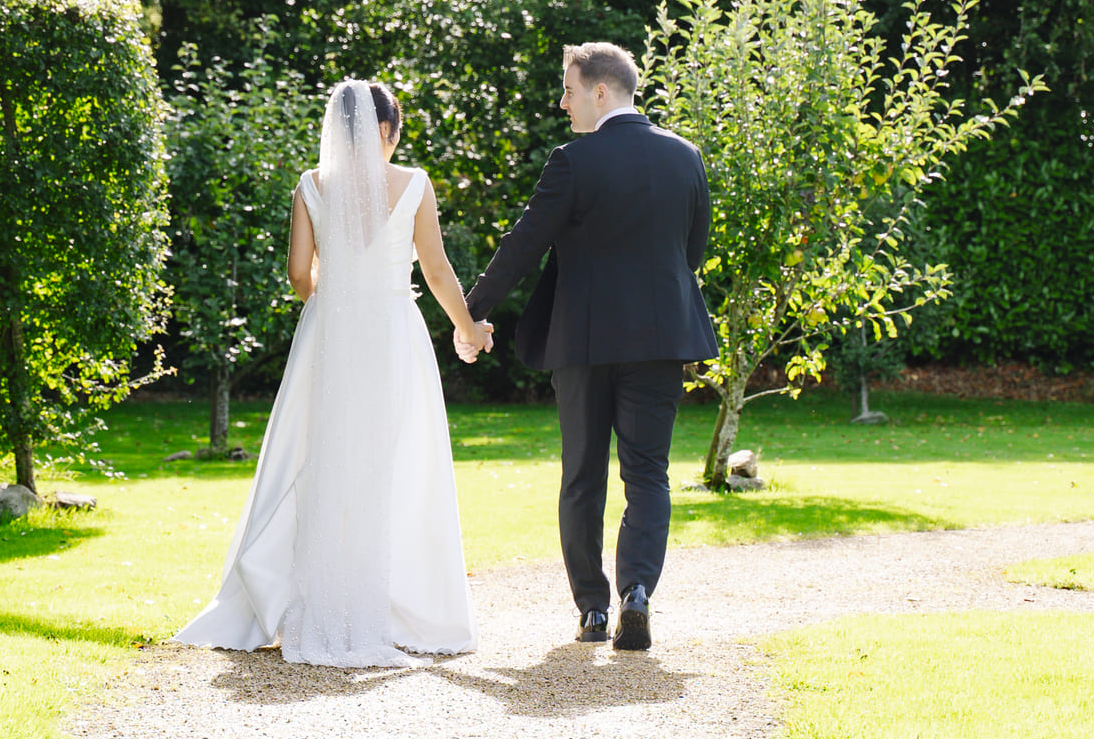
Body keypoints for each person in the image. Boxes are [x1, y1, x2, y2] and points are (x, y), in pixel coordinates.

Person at [172, 80, 487, 667]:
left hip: (330, 333)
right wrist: (468, 328)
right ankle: (395, 605)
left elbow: (299, 274)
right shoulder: (414, 184)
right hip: (393, 334)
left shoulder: (311, 186)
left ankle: (317, 598)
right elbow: (437, 271)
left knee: (321, 456)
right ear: (386, 130)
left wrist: (334, 303)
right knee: (395, 461)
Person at [458, 42, 717, 651]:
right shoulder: (685, 156)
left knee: (581, 475)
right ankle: (637, 592)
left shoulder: (573, 161)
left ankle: (594, 610)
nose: (562, 102)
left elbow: (522, 245)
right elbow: (693, 250)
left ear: (601, 91)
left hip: (583, 342)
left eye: (569, 90)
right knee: (648, 474)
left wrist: (470, 314)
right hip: (660, 342)